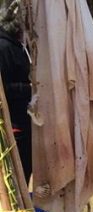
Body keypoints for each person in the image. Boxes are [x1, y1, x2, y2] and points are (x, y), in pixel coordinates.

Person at [0, 1, 31, 184]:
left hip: (25, 123)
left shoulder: (19, 47)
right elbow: (3, 89)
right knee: (16, 179)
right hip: (13, 126)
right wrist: (31, 89)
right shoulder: (4, 48)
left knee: (25, 175)